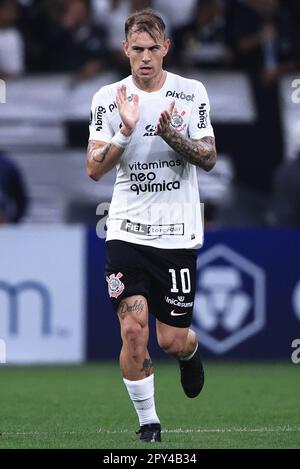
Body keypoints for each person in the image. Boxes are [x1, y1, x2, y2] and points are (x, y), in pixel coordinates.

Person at [86, 9, 216, 443]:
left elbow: (209, 157)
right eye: (136, 49)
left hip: (176, 233)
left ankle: (190, 350)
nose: (145, 58)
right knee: (132, 328)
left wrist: (172, 136)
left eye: (153, 49)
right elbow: (93, 170)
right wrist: (124, 132)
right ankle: (149, 425)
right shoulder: (108, 98)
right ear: (125, 49)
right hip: (125, 231)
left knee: (171, 340)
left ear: (166, 49)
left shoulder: (190, 92)